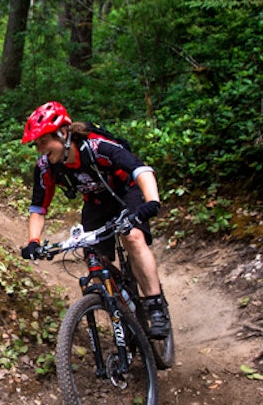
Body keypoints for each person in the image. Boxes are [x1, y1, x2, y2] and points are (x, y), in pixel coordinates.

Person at [18, 101, 171, 338]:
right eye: (36, 144)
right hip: (96, 202)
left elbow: (141, 170)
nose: (40, 149)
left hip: (126, 193)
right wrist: (33, 241)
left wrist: (151, 203)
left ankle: (155, 305)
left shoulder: (96, 146)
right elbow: (39, 207)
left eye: (43, 141)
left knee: (132, 236)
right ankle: (122, 310)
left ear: (63, 133)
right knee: (94, 259)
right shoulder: (47, 166)